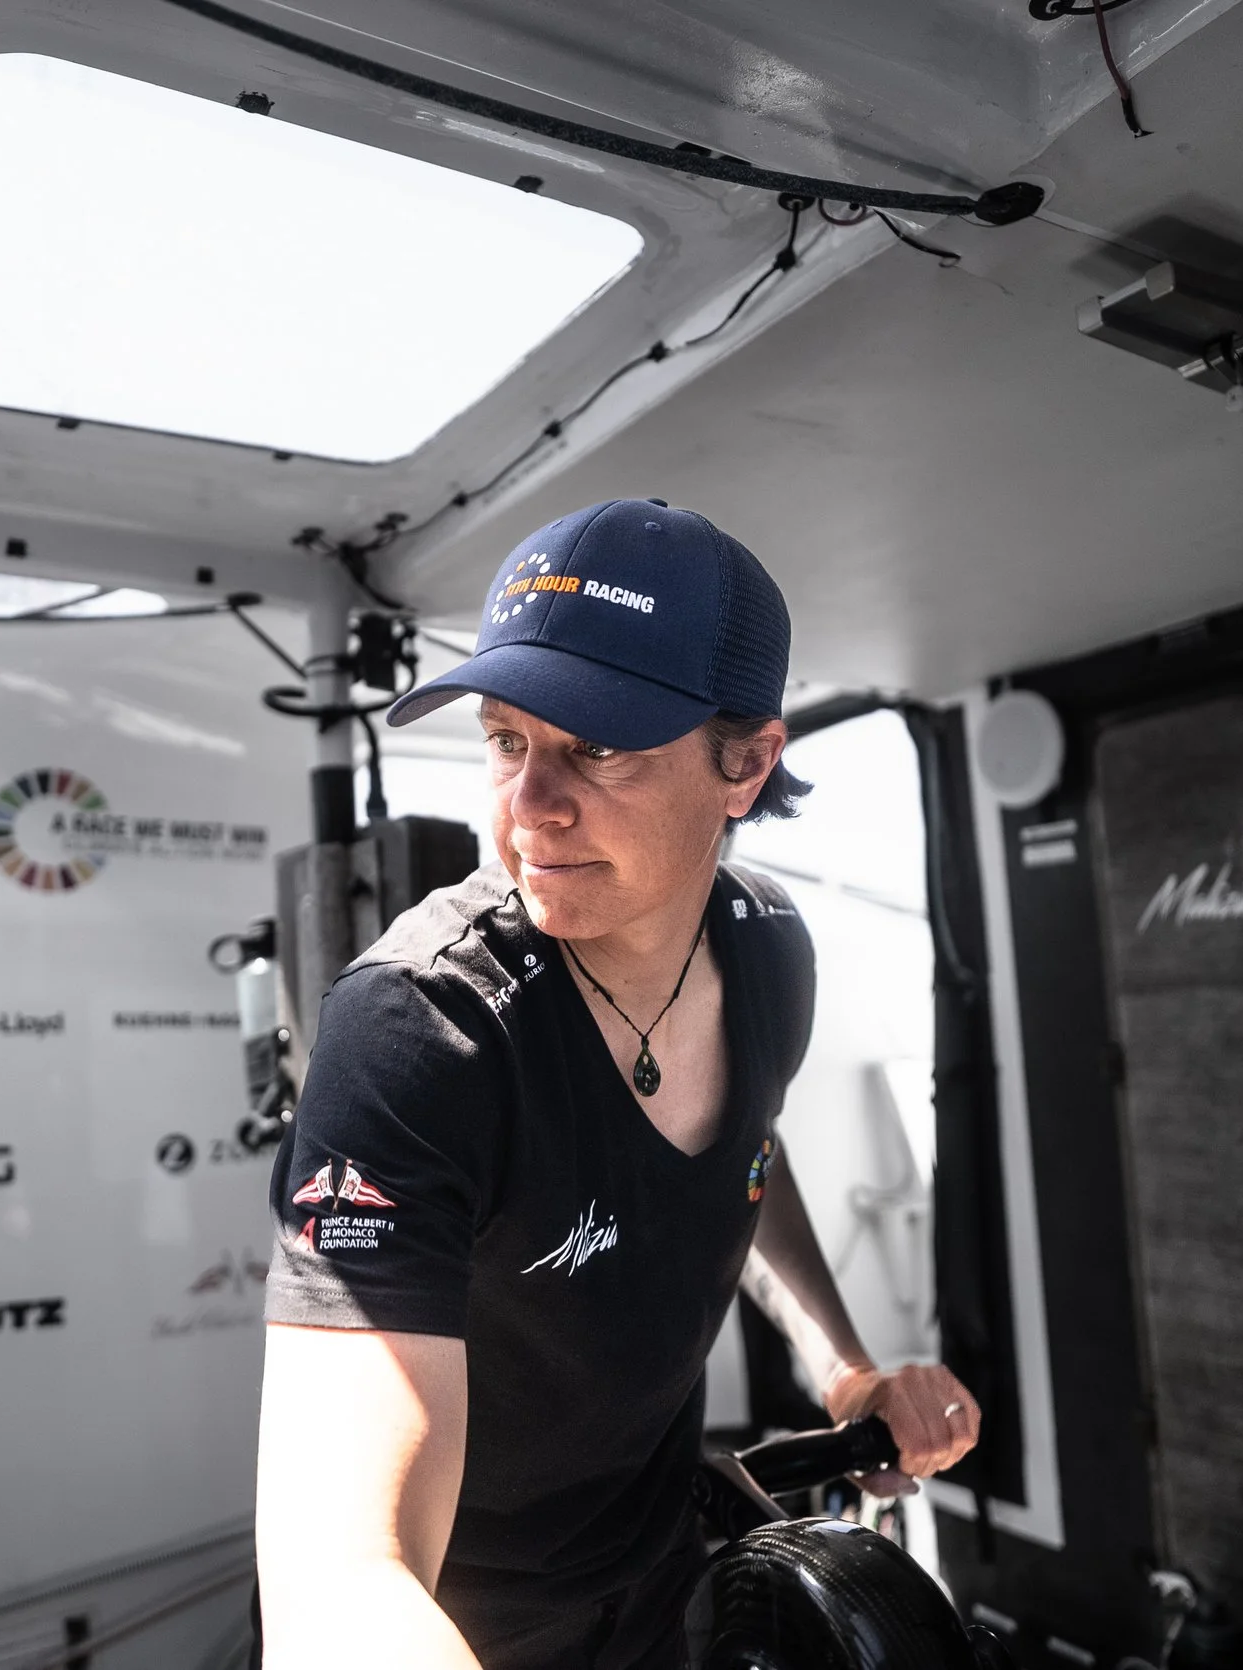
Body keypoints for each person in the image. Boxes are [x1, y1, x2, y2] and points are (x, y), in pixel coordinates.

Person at [255, 499, 979, 1670]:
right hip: (451, 1620)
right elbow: (339, 1574)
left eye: (597, 749)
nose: (528, 805)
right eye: (507, 740)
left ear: (746, 763)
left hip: (659, 1579)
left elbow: (744, 1154)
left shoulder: (766, 952)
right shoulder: (416, 1028)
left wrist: (844, 1368)